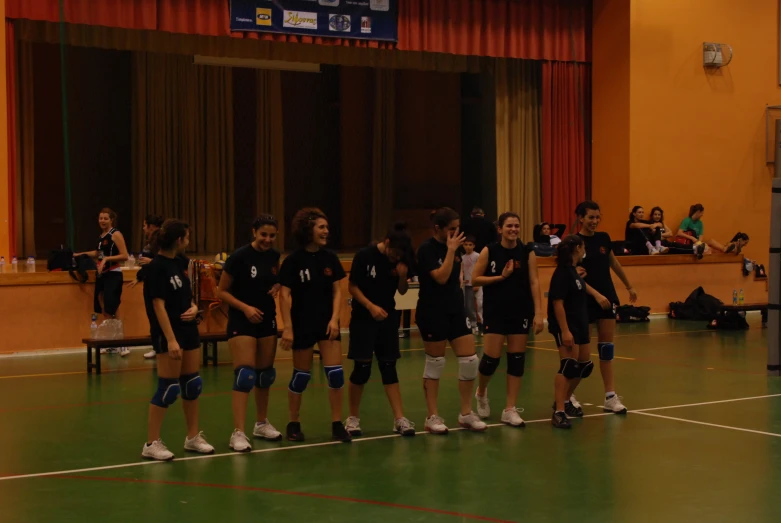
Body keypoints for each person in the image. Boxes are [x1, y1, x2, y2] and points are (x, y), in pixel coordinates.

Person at [141, 219, 214, 460]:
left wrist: (194, 307)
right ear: (179, 240)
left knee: (192, 385)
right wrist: (171, 340)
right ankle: (151, 443)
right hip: (168, 332)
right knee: (168, 388)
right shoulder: (156, 268)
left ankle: (193, 437)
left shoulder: (181, 263)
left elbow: (186, 296)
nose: (189, 241)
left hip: (188, 329)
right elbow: (158, 305)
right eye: (187, 237)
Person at [279, 208, 351, 442]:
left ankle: (337, 423)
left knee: (336, 374)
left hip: (326, 323)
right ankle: (293, 423)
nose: (326, 231)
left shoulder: (329, 258)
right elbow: (284, 295)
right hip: (302, 323)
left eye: (327, 227)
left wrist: (334, 319)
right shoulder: (293, 261)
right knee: (301, 376)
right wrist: (288, 327)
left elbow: (338, 290)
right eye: (321, 227)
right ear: (307, 229)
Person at [416, 207, 487, 434]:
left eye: (459, 229)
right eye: (452, 229)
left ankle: (466, 413)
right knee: (435, 364)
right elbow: (441, 277)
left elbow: (455, 279)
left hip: (455, 310)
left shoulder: (455, 248)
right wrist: (450, 250)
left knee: (470, 360)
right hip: (432, 312)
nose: (457, 234)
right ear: (438, 228)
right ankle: (432, 416)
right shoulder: (427, 249)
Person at [216, 215, 283, 452]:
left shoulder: (275, 257)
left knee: (265, 375)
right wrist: (245, 308)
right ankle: (238, 432)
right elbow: (221, 291)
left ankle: (261, 423)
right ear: (254, 232)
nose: (267, 239)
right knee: (245, 375)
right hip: (242, 320)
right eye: (263, 234)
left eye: (272, 235)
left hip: (267, 319)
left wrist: (277, 286)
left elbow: (275, 280)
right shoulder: (239, 257)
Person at [471, 211, 544, 427]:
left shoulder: (527, 251)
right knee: (490, 359)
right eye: (509, 226)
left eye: (516, 226)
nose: (513, 229)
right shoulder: (490, 250)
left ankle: (510, 408)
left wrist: (539, 313)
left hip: (520, 311)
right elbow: (475, 279)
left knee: (517, 359)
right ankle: (481, 391)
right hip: (495, 310)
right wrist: (500, 277)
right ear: (500, 229)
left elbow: (534, 282)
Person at [344, 224, 416, 437]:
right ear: (386, 242)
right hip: (363, 319)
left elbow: (402, 291)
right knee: (361, 369)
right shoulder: (365, 256)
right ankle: (353, 418)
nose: (396, 259)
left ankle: (399, 419)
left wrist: (403, 276)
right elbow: (352, 286)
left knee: (389, 367)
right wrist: (371, 306)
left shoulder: (402, 260)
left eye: (399, 256)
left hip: (388, 319)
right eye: (394, 254)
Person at [576, 200, 637, 415]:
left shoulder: (604, 239)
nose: (595, 221)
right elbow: (572, 275)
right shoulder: (574, 242)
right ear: (581, 218)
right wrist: (594, 294)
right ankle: (568, 395)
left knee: (606, 349)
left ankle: (610, 396)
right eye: (590, 217)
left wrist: (628, 286)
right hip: (584, 299)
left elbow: (614, 263)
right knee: (580, 354)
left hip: (607, 298)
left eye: (597, 217)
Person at [547, 235, 611, 429]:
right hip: (568, 326)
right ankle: (559, 411)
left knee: (584, 366)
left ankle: (565, 400)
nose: (585, 251)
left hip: (581, 324)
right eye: (583, 247)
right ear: (576, 248)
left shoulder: (574, 273)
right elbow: (557, 303)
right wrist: (565, 331)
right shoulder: (562, 273)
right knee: (568, 366)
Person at [75, 208, 130, 357]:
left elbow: (124, 255)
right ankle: (111, 343)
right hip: (103, 275)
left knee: (114, 307)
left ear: (111, 220)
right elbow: (98, 253)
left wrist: (106, 259)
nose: (102, 221)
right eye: (100, 218)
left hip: (114, 274)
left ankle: (122, 344)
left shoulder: (115, 234)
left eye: (105, 218)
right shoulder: (101, 237)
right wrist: (80, 254)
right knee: (105, 309)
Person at [129, 214, 164, 360]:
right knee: (152, 315)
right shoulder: (149, 242)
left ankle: (161, 346)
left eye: (145, 225)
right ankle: (157, 346)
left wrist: (152, 261)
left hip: (159, 284)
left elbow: (164, 261)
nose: (143, 228)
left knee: (158, 316)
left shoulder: (161, 241)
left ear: (153, 226)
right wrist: (139, 276)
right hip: (149, 282)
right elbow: (146, 264)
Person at [461, 236, 481, 335]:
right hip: (467, 285)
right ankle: (473, 325)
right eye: (466, 244)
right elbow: (462, 271)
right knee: (469, 306)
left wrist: (477, 283)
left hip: (477, 284)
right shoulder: (462, 258)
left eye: (470, 245)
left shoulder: (477, 256)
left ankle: (483, 325)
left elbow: (481, 269)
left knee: (480, 305)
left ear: (474, 246)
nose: (468, 247)